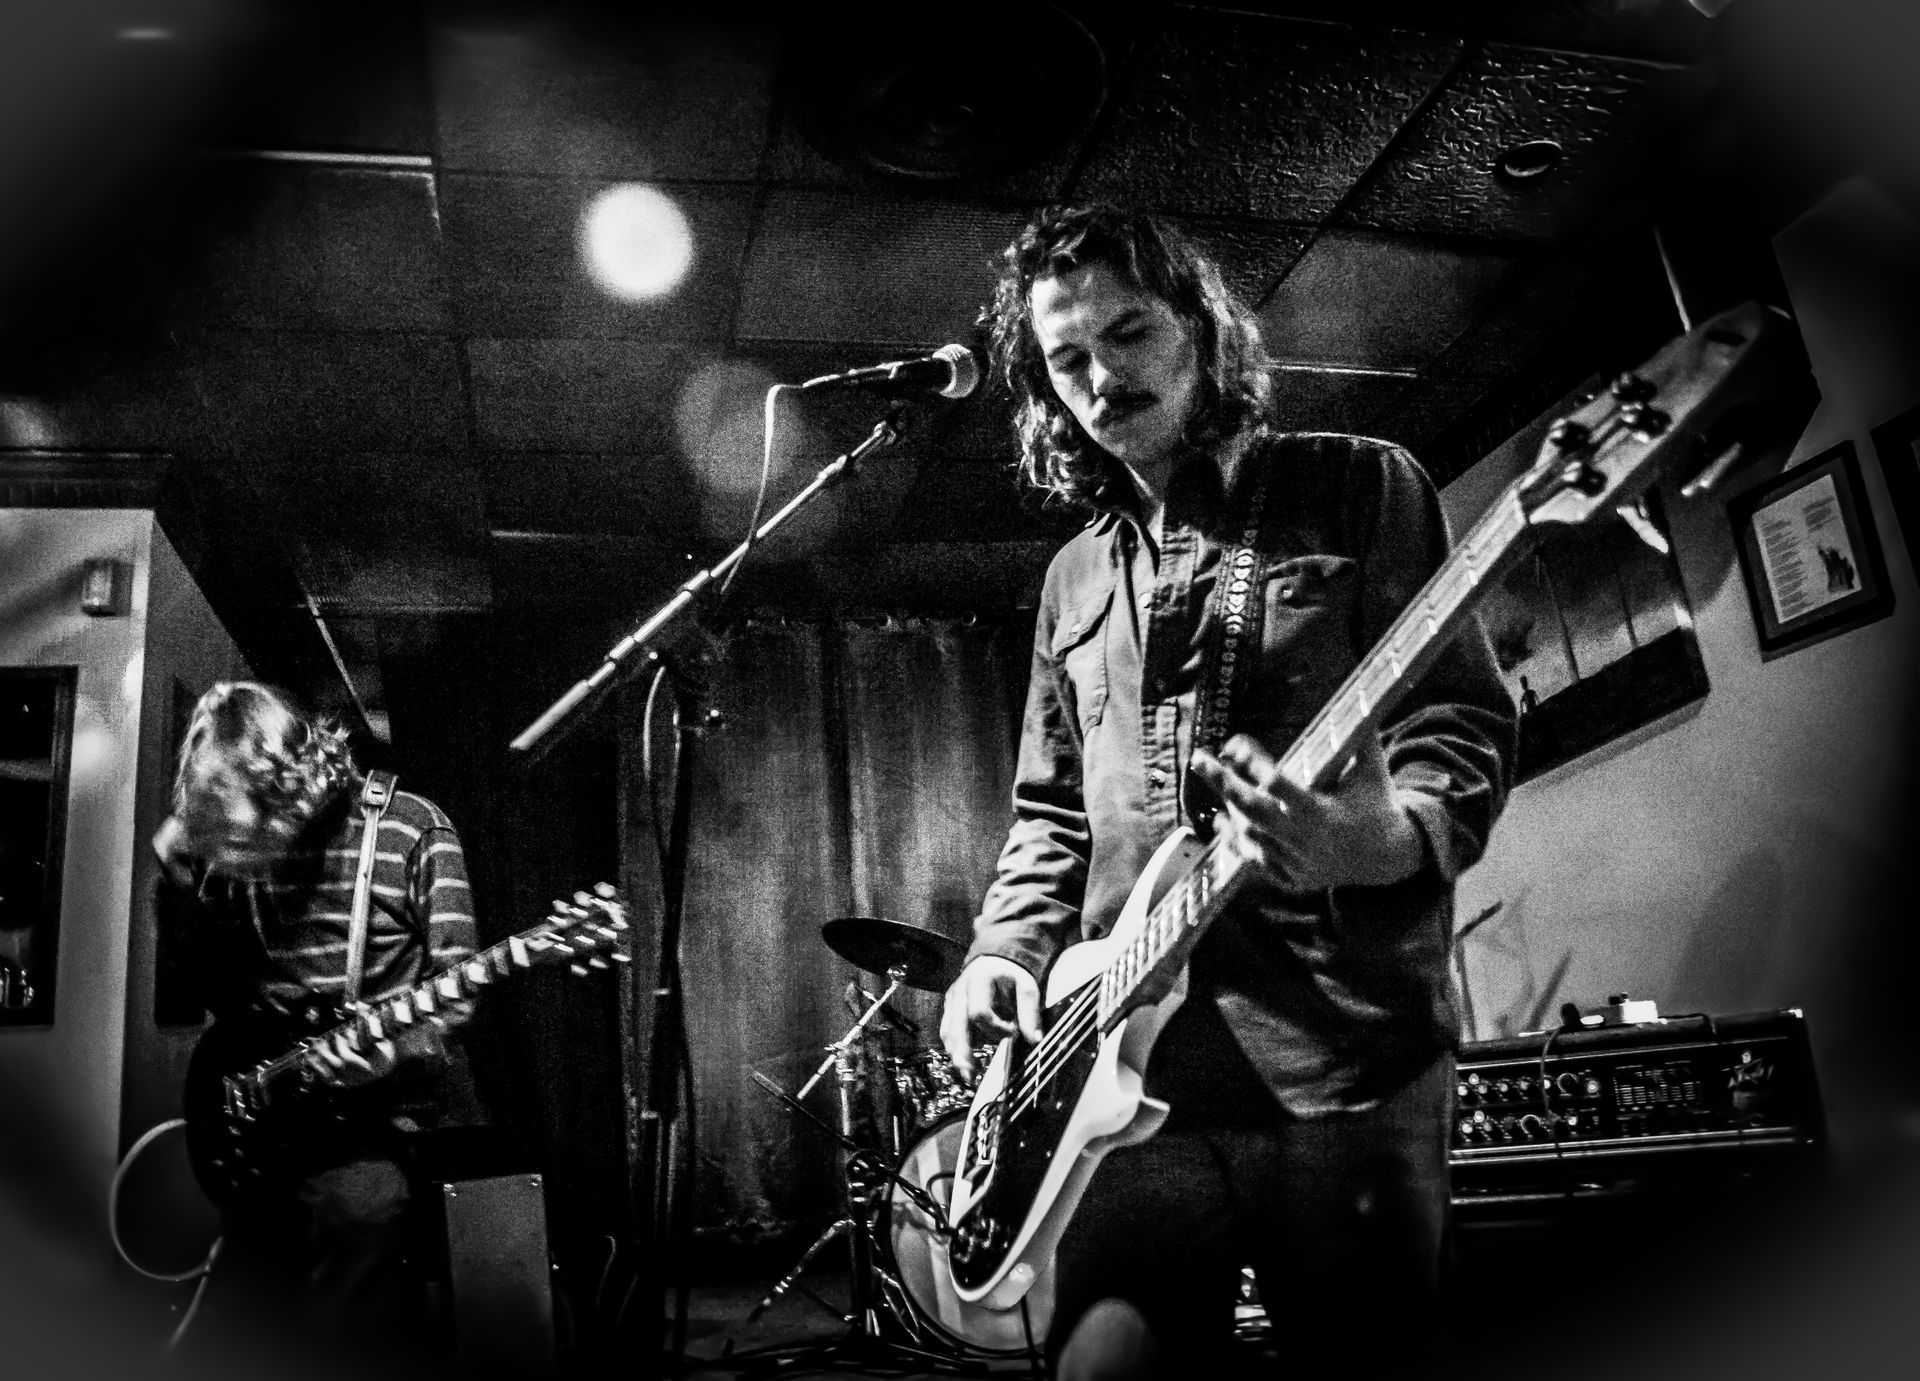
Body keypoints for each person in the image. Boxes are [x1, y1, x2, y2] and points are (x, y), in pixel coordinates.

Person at [940, 205, 1516, 1378]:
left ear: (1199, 331)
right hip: (1124, 1078)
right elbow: (1051, 813)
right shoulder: (1072, 577)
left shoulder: (1358, 486)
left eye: (1128, 333)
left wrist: (1376, 839)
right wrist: (1000, 954)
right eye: (1066, 357)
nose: (1100, 377)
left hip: (1340, 1061)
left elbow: (1456, 721)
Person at [154, 681, 481, 1375]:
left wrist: (390, 1054)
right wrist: (179, 884)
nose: (252, 850)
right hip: (255, 1136)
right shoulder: (245, 850)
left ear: (287, 781)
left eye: (253, 827)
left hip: (366, 1134)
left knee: (343, 1311)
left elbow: (458, 997)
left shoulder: (414, 828)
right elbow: (208, 994)